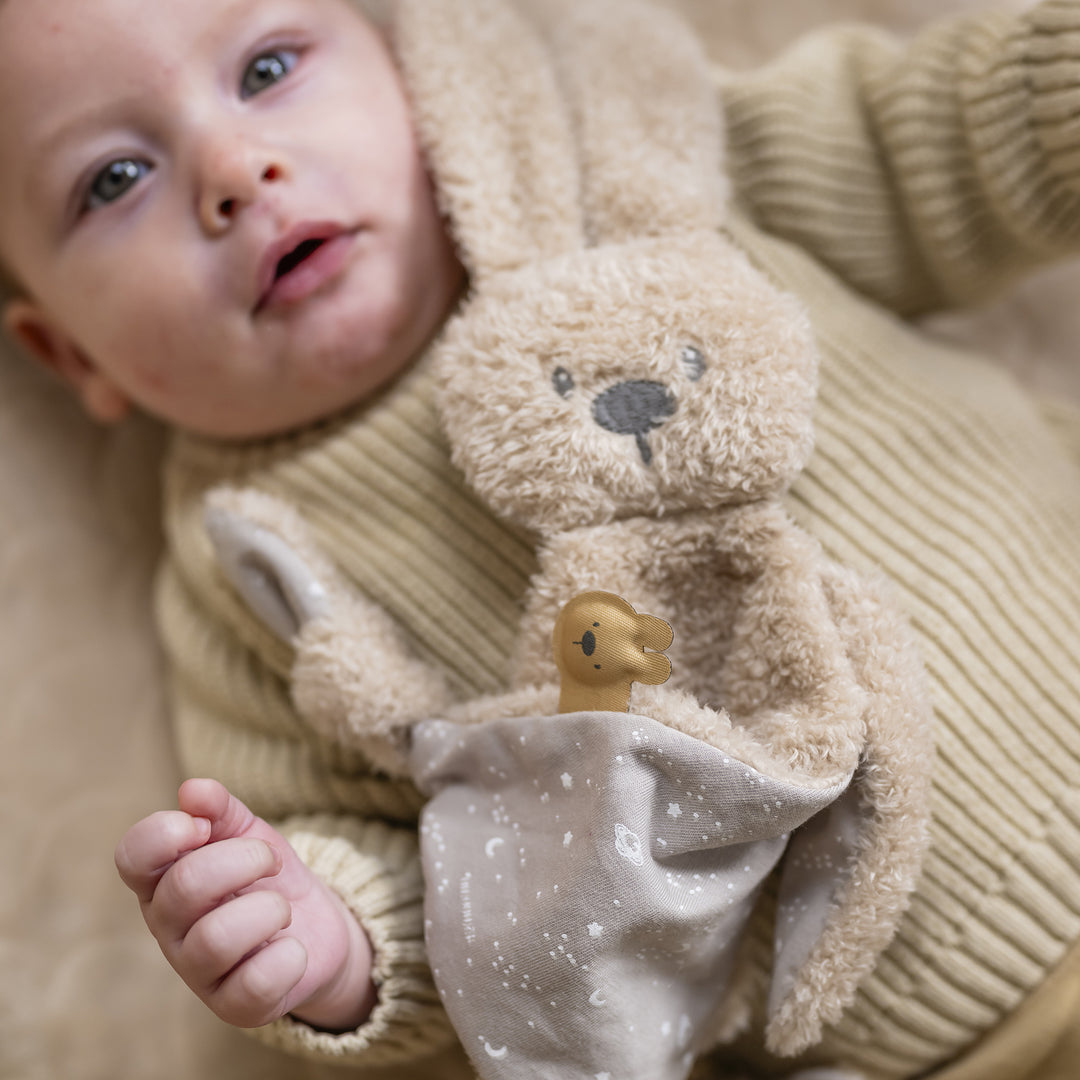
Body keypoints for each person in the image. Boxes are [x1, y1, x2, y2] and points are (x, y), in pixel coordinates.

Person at [0, 0, 1077, 1075]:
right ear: (70, 356)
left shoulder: (629, 170)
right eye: (113, 180)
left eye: (270, 66)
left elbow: (921, 146)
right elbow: (449, 892)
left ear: (400, 61)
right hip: (924, 1049)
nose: (235, 169)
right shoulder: (249, 568)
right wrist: (326, 937)